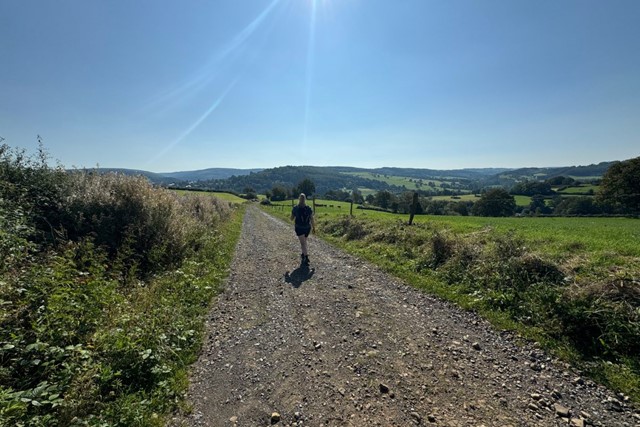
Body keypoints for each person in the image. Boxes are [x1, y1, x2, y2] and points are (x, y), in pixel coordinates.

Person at [290, 193, 315, 265]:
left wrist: (293, 215)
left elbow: (291, 219)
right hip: (307, 227)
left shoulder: (295, 208)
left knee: (303, 243)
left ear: (299, 199)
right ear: (305, 199)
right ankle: (303, 253)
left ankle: (306, 257)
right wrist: (314, 228)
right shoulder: (309, 208)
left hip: (299, 227)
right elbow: (312, 219)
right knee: (304, 242)